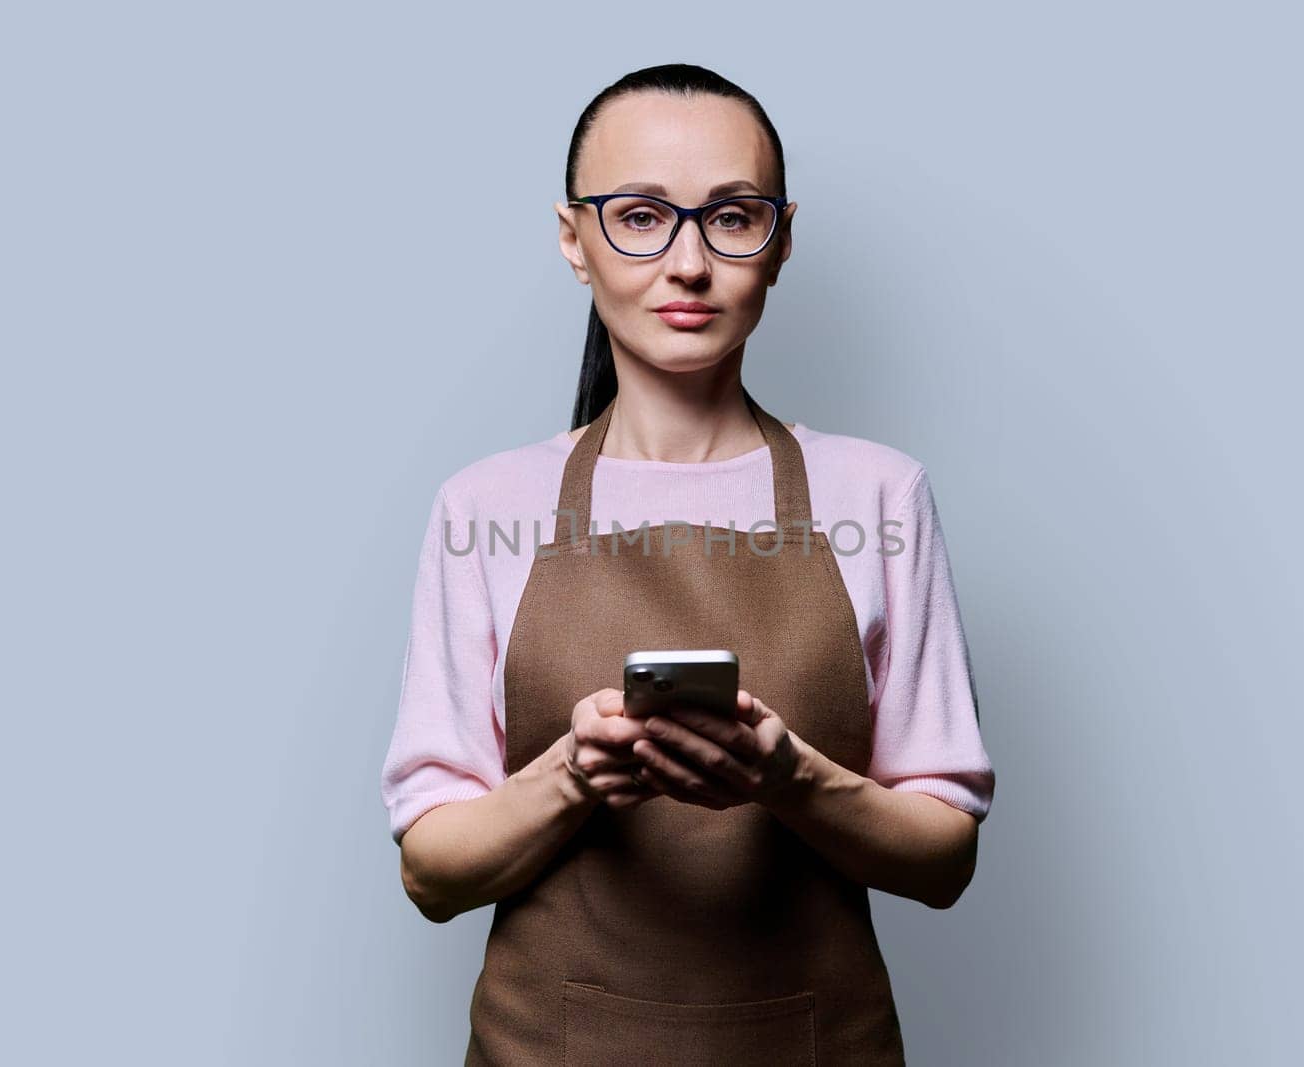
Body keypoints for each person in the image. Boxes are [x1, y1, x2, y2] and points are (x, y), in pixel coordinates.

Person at [379, 63, 995, 1065]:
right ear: (574, 241)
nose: (688, 262)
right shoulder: (483, 506)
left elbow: (944, 861)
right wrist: (573, 773)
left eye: (732, 217)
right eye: (640, 216)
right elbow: (431, 875)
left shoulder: (879, 496)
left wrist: (785, 776)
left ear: (780, 241)